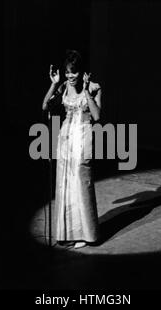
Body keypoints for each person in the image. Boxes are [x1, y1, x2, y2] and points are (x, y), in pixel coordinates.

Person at [42, 50, 102, 249]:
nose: (70, 76)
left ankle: (88, 233)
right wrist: (53, 83)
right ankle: (69, 232)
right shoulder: (63, 87)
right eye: (68, 72)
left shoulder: (94, 87)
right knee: (65, 183)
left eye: (73, 72)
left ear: (81, 71)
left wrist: (86, 91)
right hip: (66, 137)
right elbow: (45, 106)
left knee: (81, 181)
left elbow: (97, 116)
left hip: (84, 135)